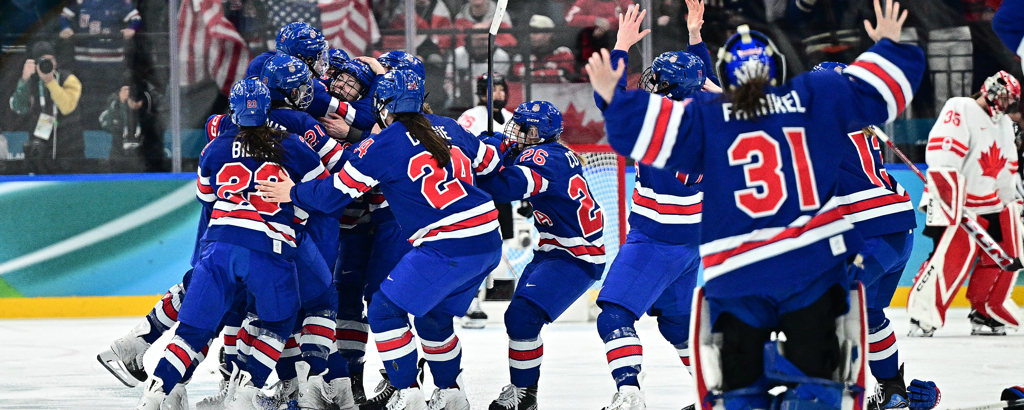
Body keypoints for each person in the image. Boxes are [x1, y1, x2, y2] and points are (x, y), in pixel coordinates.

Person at [585, 1, 924, 409]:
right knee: (822, 371)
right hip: (808, 257)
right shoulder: (807, 102)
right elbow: (885, 88)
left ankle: (695, 391)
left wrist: (614, 72)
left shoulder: (708, 121)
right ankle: (858, 390)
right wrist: (888, 46)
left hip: (734, 264)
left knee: (738, 383)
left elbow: (623, 119)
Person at [258, 69, 504, 410]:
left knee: (385, 310)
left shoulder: (382, 144)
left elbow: (333, 195)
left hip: (448, 245)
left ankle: (408, 391)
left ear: (383, 106)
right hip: (488, 241)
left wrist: (292, 192)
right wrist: (492, 141)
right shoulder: (447, 126)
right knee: (432, 319)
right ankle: (449, 392)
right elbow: (491, 161)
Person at [134, 77, 327, 409]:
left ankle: (155, 394)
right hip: (270, 247)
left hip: (220, 246)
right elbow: (322, 193)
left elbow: (206, 200)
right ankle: (247, 391)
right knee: (278, 322)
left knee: (192, 332)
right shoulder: (292, 145)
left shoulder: (215, 148)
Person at [589, 5, 715, 410]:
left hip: (655, 238)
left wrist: (622, 45)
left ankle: (629, 395)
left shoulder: (657, 122)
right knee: (678, 327)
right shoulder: (715, 118)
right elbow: (708, 83)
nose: (651, 83)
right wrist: (696, 38)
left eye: (658, 79)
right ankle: (719, 391)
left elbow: (608, 96)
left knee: (613, 315)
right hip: (692, 240)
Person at [480, 100, 606, 410]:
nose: (518, 132)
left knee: (522, 317)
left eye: (526, 128)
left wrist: (482, 159)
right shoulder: (551, 152)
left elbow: (505, 189)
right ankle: (525, 390)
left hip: (576, 255)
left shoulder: (543, 157)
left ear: (543, 132)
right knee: (521, 321)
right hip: (552, 248)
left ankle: (523, 394)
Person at [908, 70, 1024, 337]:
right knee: (951, 259)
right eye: (1004, 98)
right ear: (990, 91)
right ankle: (923, 314)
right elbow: (943, 156)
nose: (1006, 105)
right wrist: (951, 201)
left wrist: (1011, 203)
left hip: (990, 203)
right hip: (958, 203)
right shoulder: (960, 107)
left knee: (1009, 253)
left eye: (1011, 101)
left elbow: (1006, 169)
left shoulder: (1004, 123)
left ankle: (985, 310)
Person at [59, 0, 142, 129]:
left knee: (110, 98)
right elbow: (64, 16)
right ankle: (88, 129)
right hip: (85, 63)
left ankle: (110, 129)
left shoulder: (119, 2)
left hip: (112, 64)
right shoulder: (80, 2)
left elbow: (136, 19)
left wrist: (132, 29)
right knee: (87, 99)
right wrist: (66, 28)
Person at [9, 41, 84, 165]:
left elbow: (67, 107)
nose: (48, 64)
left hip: (69, 149)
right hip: (40, 149)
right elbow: (18, 108)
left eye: (51, 60)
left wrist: (50, 82)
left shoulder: (69, 79)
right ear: (35, 63)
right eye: (43, 61)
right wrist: (24, 80)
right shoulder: (30, 81)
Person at [99, 76, 165, 171]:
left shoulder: (151, 101)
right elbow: (106, 125)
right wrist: (119, 104)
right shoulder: (116, 103)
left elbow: (161, 126)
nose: (135, 100)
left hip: (146, 161)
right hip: (119, 160)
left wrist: (145, 111)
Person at [448, 23, 512, 106]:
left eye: (486, 39)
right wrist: (457, 96)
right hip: (462, 99)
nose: (484, 43)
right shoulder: (457, 54)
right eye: (479, 40)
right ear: (471, 39)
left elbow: (502, 83)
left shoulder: (501, 56)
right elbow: (449, 80)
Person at [511, 15, 578, 83]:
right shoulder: (522, 55)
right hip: (530, 93)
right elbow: (518, 74)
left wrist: (534, 74)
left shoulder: (563, 53)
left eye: (536, 32)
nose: (531, 35)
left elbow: (565, 75)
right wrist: (551, 73)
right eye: (530, 32)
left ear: (548, 34)